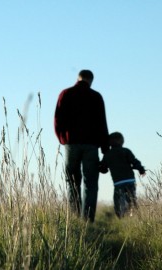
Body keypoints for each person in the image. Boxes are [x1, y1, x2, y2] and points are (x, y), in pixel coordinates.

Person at [54, 70, 109, 222]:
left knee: (72, 182)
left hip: (71, 143)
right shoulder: (96, 97)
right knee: (90, 183)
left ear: (78, 78)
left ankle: (75, 217)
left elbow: (57, 119)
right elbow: (102, 124)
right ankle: (88, 219)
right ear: (91, 80)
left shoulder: (65, 94)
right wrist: (105, 149)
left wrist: (62, 138)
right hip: (91, 145)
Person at [99, 132, 146, 218]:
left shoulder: (108, 154)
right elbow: (134, 162)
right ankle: (134, 215)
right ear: (122, 141)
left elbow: (103, 168)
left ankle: (120, 216)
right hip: (130, 180)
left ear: (109, 142)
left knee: (117, 200)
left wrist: (100, 167)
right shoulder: (126, 151)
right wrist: (141, 169)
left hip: (118, 182)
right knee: (131, 198)